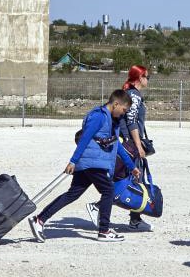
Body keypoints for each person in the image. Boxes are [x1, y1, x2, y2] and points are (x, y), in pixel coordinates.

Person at [28, 90, 140, 243]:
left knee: (72, 194)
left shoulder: (111, 121)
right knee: (108, 191)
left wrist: (131, 165)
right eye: (123, 110)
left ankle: (39, 220)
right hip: (93, 162)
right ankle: (104, 230)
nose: (123, 114)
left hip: (90, 163)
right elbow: (85, 137)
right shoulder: (99, 116)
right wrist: (73, 161)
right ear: (116, 104)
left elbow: (117, 146)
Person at [86, 65, 155, 231]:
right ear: (140, 78)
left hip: (126, 142)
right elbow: (131, 123)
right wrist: (138, 145)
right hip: (129, 144)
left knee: (131, 180)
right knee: (129, 181)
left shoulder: (129, 94)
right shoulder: (135, 96)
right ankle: (100, 207)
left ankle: (135, 218)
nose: (148, 80)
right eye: (147, 77)